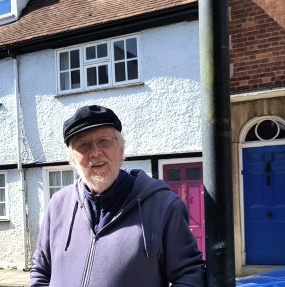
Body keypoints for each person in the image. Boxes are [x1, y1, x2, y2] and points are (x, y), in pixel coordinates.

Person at [30, 105, 206, 287]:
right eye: (83, 145)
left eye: (104, 141)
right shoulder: (58, 205)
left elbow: (190, 275)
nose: (95, 152)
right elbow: (41, 271)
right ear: (72, 159)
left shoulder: (164, 206)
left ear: (121, 149)